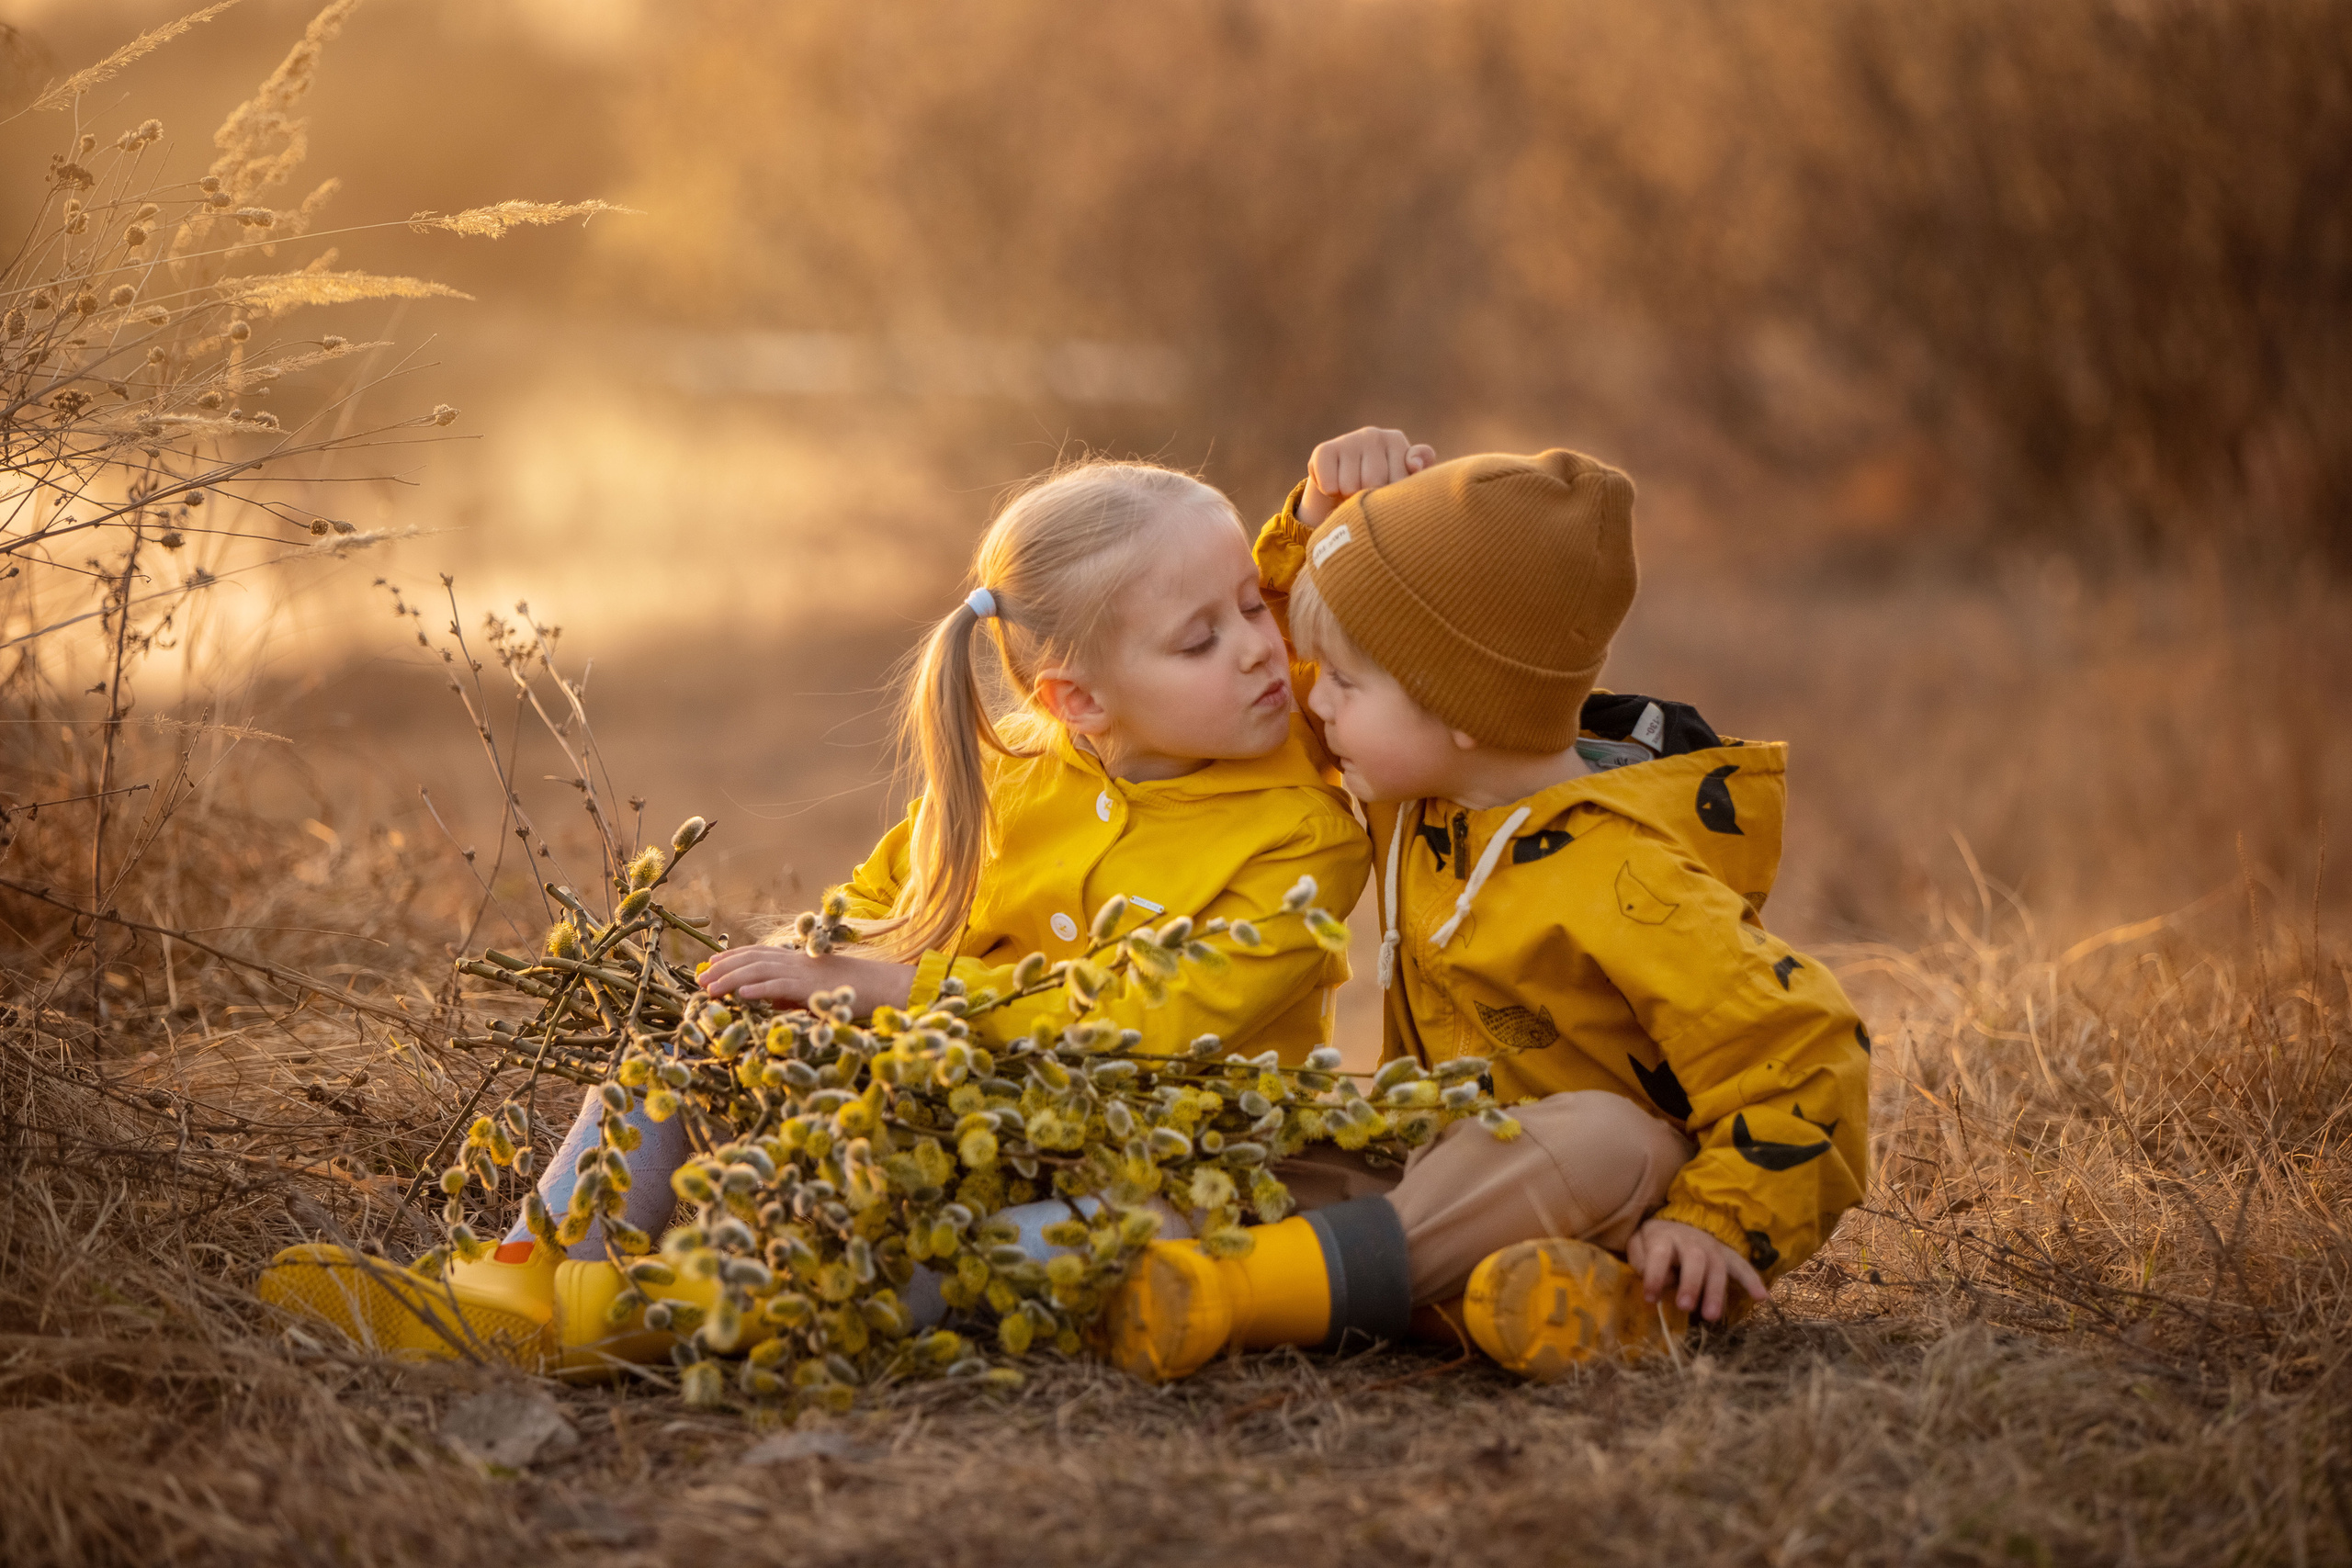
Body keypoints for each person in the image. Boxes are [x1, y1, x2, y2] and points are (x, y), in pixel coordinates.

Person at [257, 457, 1375, 1371]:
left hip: (1154, 1152)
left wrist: (906, 992)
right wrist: (803, 976)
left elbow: (1159, 1016)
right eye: (1201, 637)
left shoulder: (1301, 826)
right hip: (963, 1109)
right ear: (1076, 700)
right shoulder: (1017, 777)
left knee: (954, 1245)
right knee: (671, 1076)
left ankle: (636, 1317)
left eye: (1250, 605)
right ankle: (509, 1282)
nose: (1258, 645)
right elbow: (879, 911)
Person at [1103, 431, 1871, 1382]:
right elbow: (1272, 690)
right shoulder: (1420, 788)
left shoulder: (1628, 875)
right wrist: (1312, 528)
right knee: (1261, 1140)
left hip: (1598, 1191)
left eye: (1344, 681)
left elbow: (1806, 1045)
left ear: (1456, 704)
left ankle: (1247, 1291)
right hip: (1432, 1162)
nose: (1314, 699)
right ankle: (1505, 1306)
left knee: (1608, 1139)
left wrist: (1717, 1220)